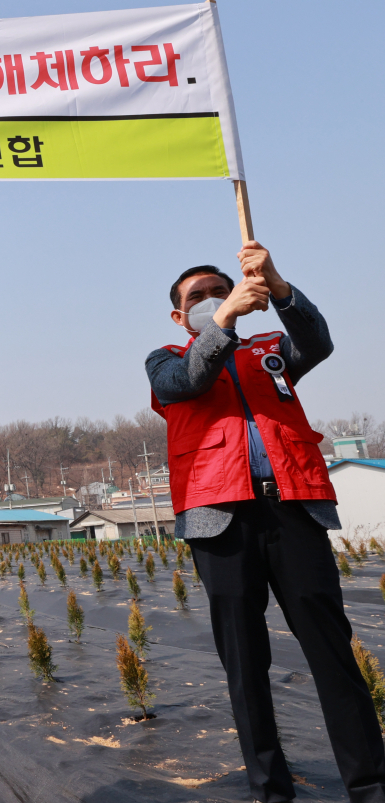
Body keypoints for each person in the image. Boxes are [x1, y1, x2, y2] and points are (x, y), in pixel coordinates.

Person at [147, 243, 385, 803]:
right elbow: (188, 382)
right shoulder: (164, 359)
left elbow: (318, 342)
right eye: (197, 298)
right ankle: (271, 791)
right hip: (220, 523)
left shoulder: (270, 351)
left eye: (219, 292)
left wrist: (277, 285)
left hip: (293, 512)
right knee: (245, 664)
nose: (210, 301)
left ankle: (371, 786)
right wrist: (225, 319)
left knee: (333, 653)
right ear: (180, 317)